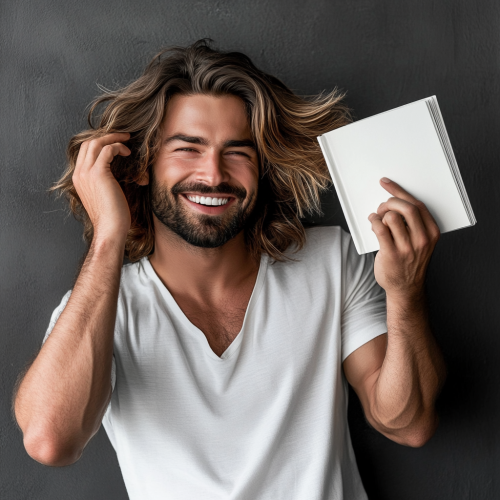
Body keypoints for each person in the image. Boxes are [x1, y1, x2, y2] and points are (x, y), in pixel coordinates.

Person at [14, 39, 446, 500]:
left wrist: (405, 291)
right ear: (141, 166)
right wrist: (108, 237)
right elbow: (50, 441)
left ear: (261, 168)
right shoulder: (99, 308)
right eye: (188, 148)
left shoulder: (331, 262)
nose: (214, 174)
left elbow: (408, 425)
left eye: (238, 151)